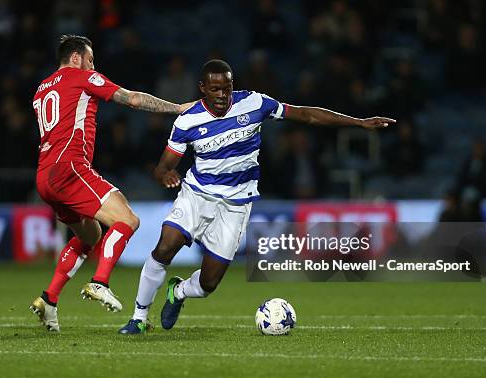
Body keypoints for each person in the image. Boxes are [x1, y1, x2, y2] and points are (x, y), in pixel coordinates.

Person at [119, 59, 396, 334]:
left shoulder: (254, 103)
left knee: (208, 285)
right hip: (197, 195)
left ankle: (178, 291)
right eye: (215, 89)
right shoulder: (187, 121)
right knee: (166, 247)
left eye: (227, 88)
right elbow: (162, 167)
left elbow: (304, 114)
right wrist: (165, 174)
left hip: (236, 204)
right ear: (202, 88)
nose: (222, 95)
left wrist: (358, 122)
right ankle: (139, 318)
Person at [30, 35, 191, 332]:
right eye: (91, 60)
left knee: (90, 234)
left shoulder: (42, 89)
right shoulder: (81, 76)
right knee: (128, 219)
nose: (94, 66)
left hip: (44, 176)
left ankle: (48, 299)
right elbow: (132, 99)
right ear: (76, 58)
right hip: (70, 167)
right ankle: (99, 282)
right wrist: (179, 108)